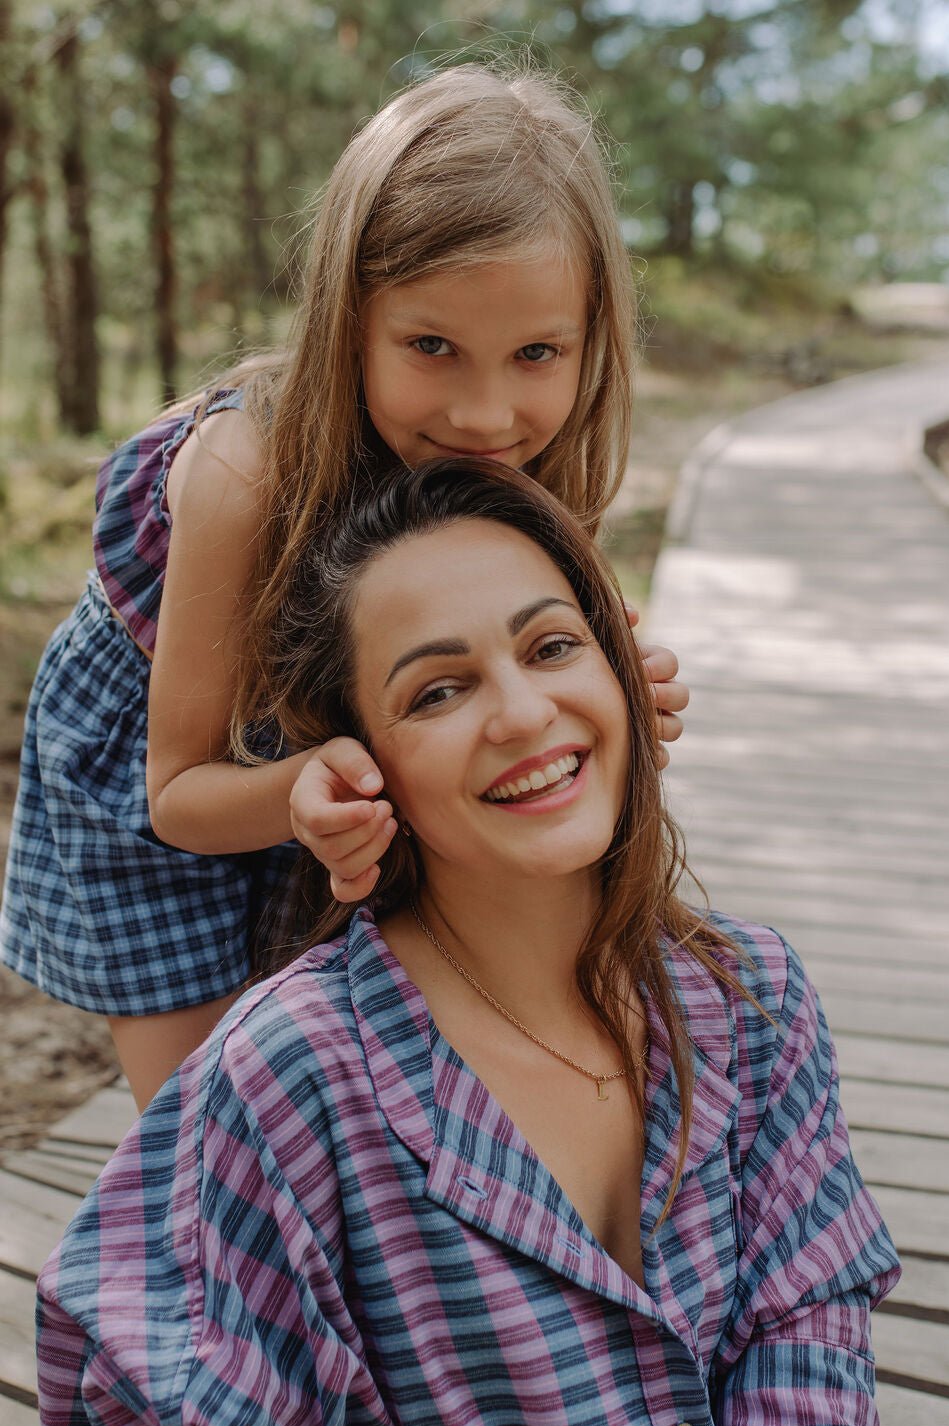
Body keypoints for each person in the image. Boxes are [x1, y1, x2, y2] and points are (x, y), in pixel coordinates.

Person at [36, 461, 949, 1426]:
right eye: (437, 691)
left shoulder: (751, 998)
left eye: (552, 646)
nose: (521, 712)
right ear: (358, 763)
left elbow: (801, 1363)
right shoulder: (290, 1081)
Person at [0, 61, 687, 1112]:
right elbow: (178, 794)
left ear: (591, 338)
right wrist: (303, 790)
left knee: (354, 1080)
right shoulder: (251, 469)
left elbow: (528, 662)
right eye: (431, 347)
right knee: (210, 1122)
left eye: (537, 352)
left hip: (352, 760)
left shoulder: (531, 473)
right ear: (344, 316)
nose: (484, 416)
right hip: (160, 792)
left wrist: (604, 689)